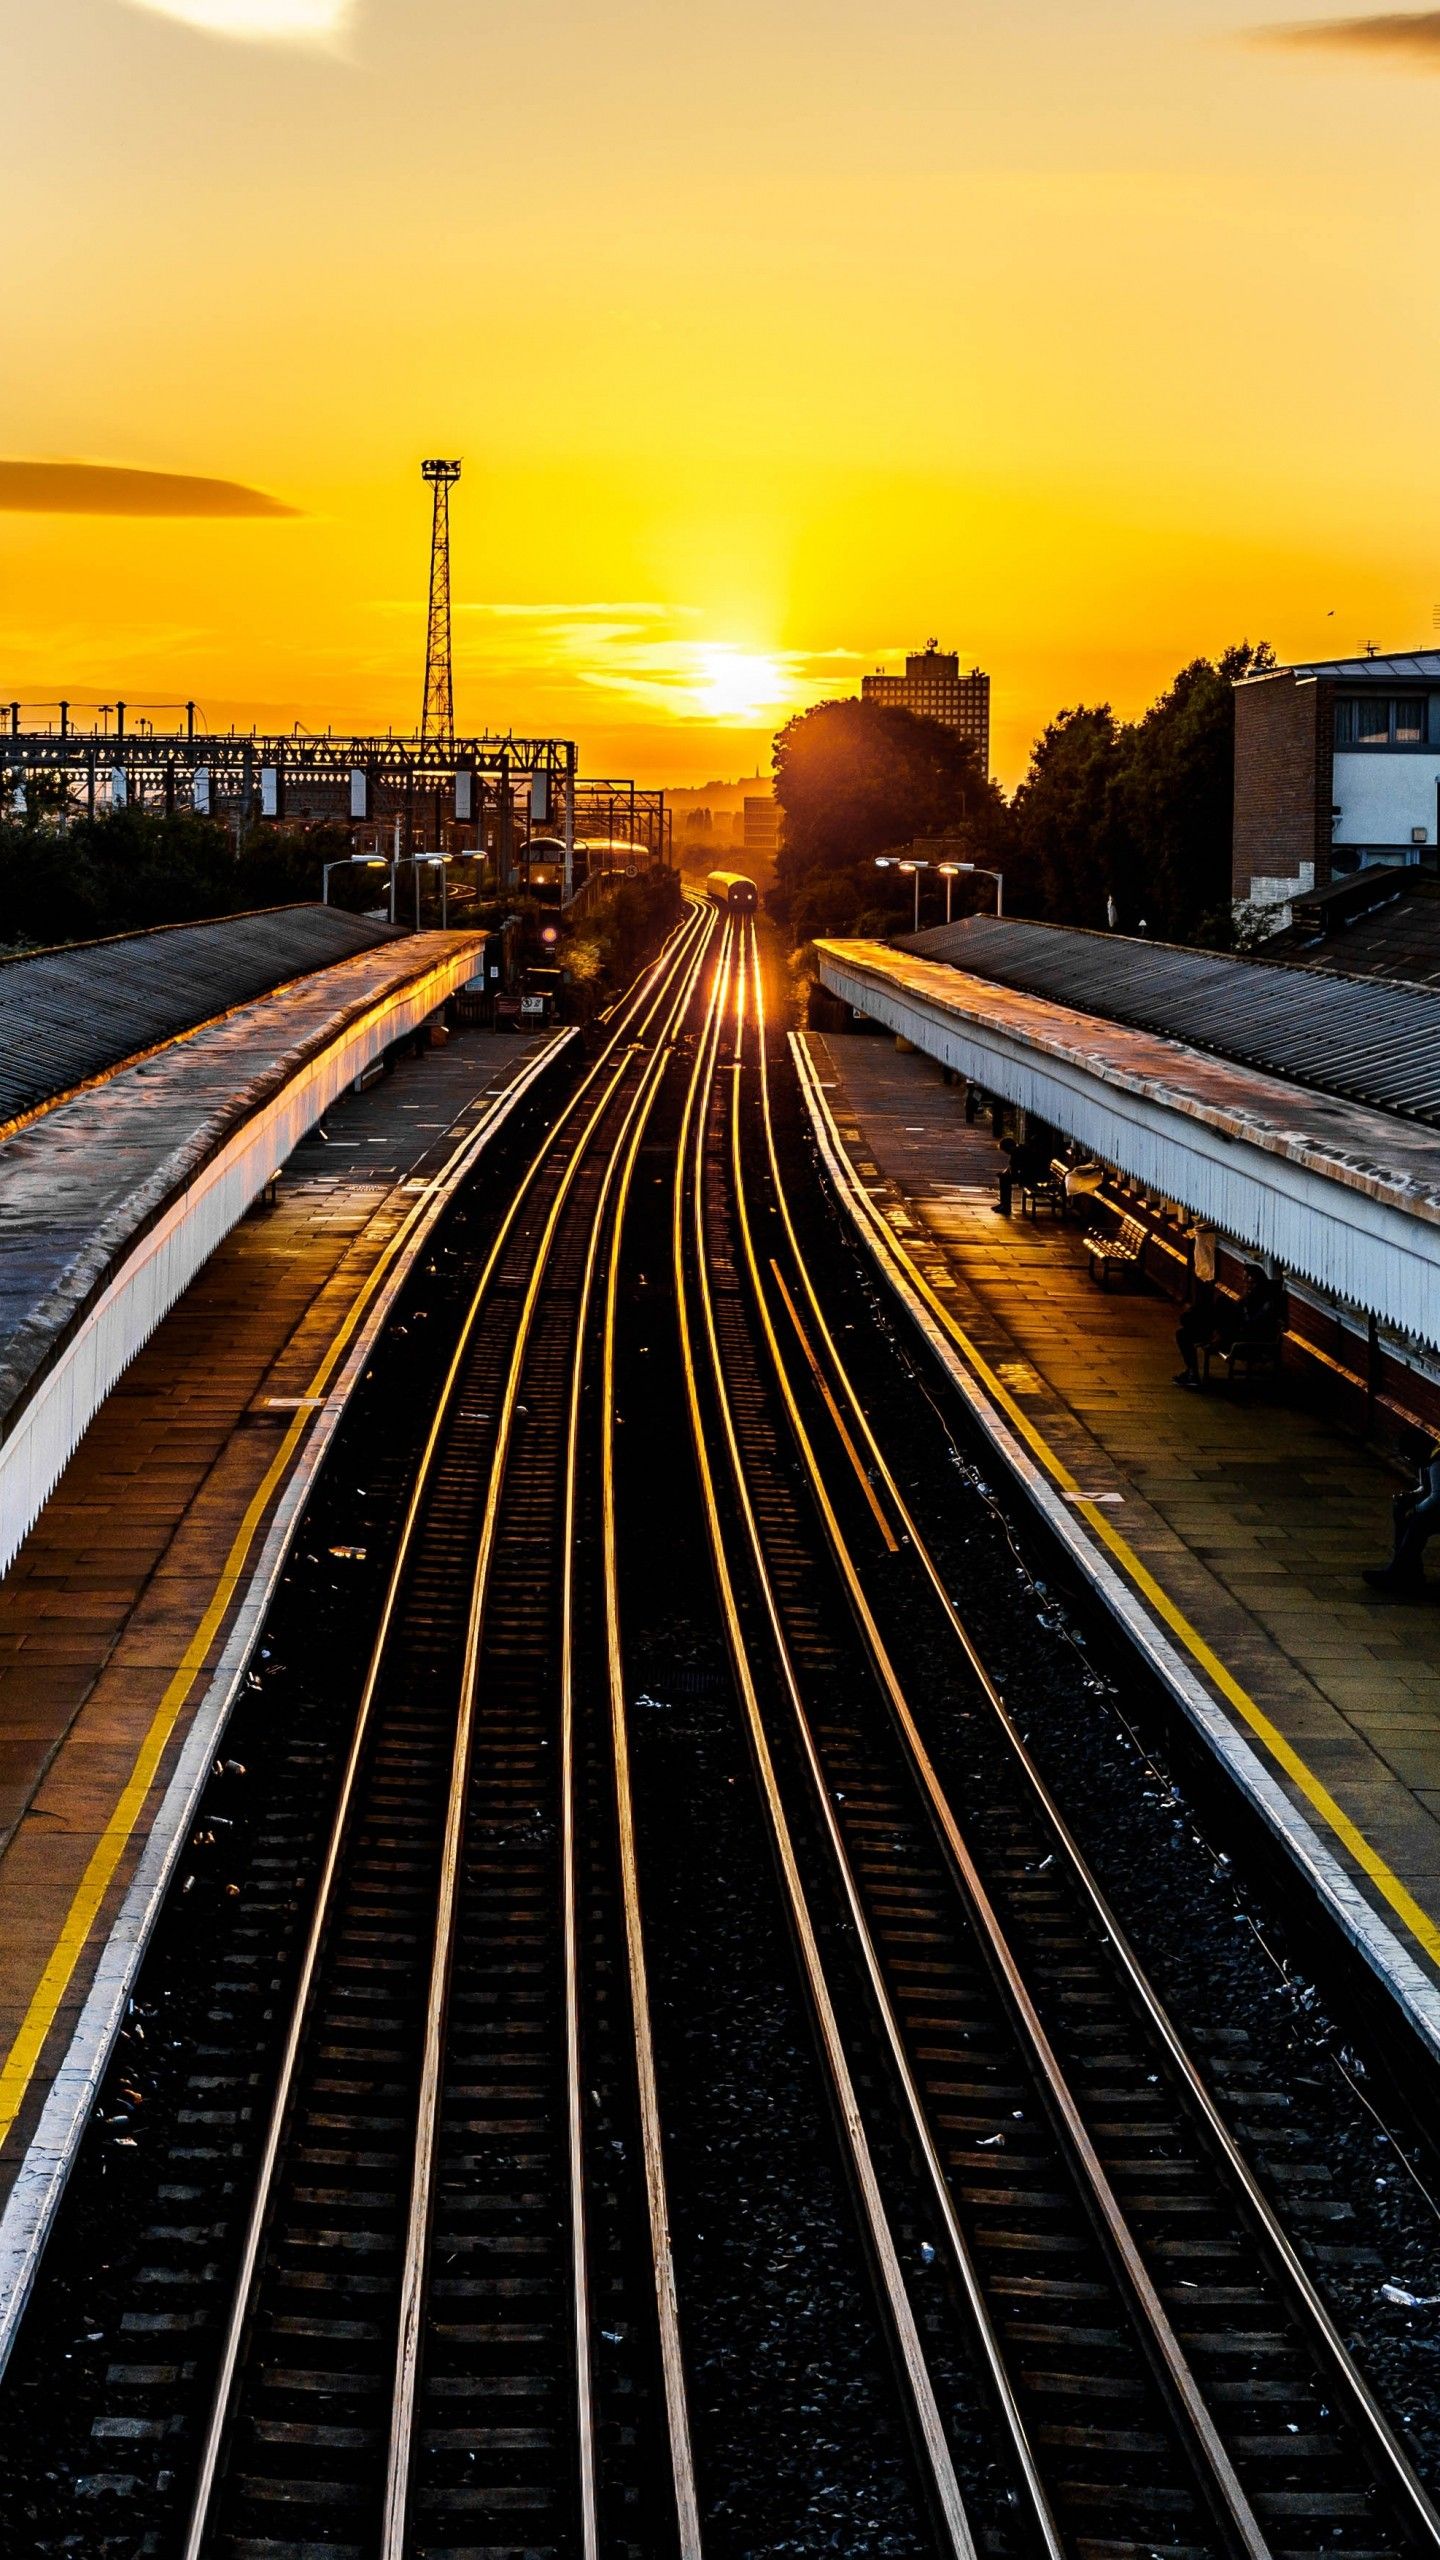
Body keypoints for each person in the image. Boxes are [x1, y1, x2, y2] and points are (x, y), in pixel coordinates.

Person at [1365, 1430, 1440, 1598]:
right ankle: (1407, 1568)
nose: (1409, 1460)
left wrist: (1416, 1508)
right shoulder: (1428, 1460)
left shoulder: (1436, 1462)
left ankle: (1399, 1571)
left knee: (1417, 1522)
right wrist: (1409, 1497)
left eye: (1408, 1457)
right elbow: (1424, 1489)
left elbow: (1437, 1496)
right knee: (1402, 1510)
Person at [1174, 1224, 1220, 1387]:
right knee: (1184, 1333)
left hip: (1223, 1332)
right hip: (1216, 1327)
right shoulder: (1208, 1289)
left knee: (1183, 1335)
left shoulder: (1207, 1289)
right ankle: (1192, 1372)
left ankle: (1192, 1373)